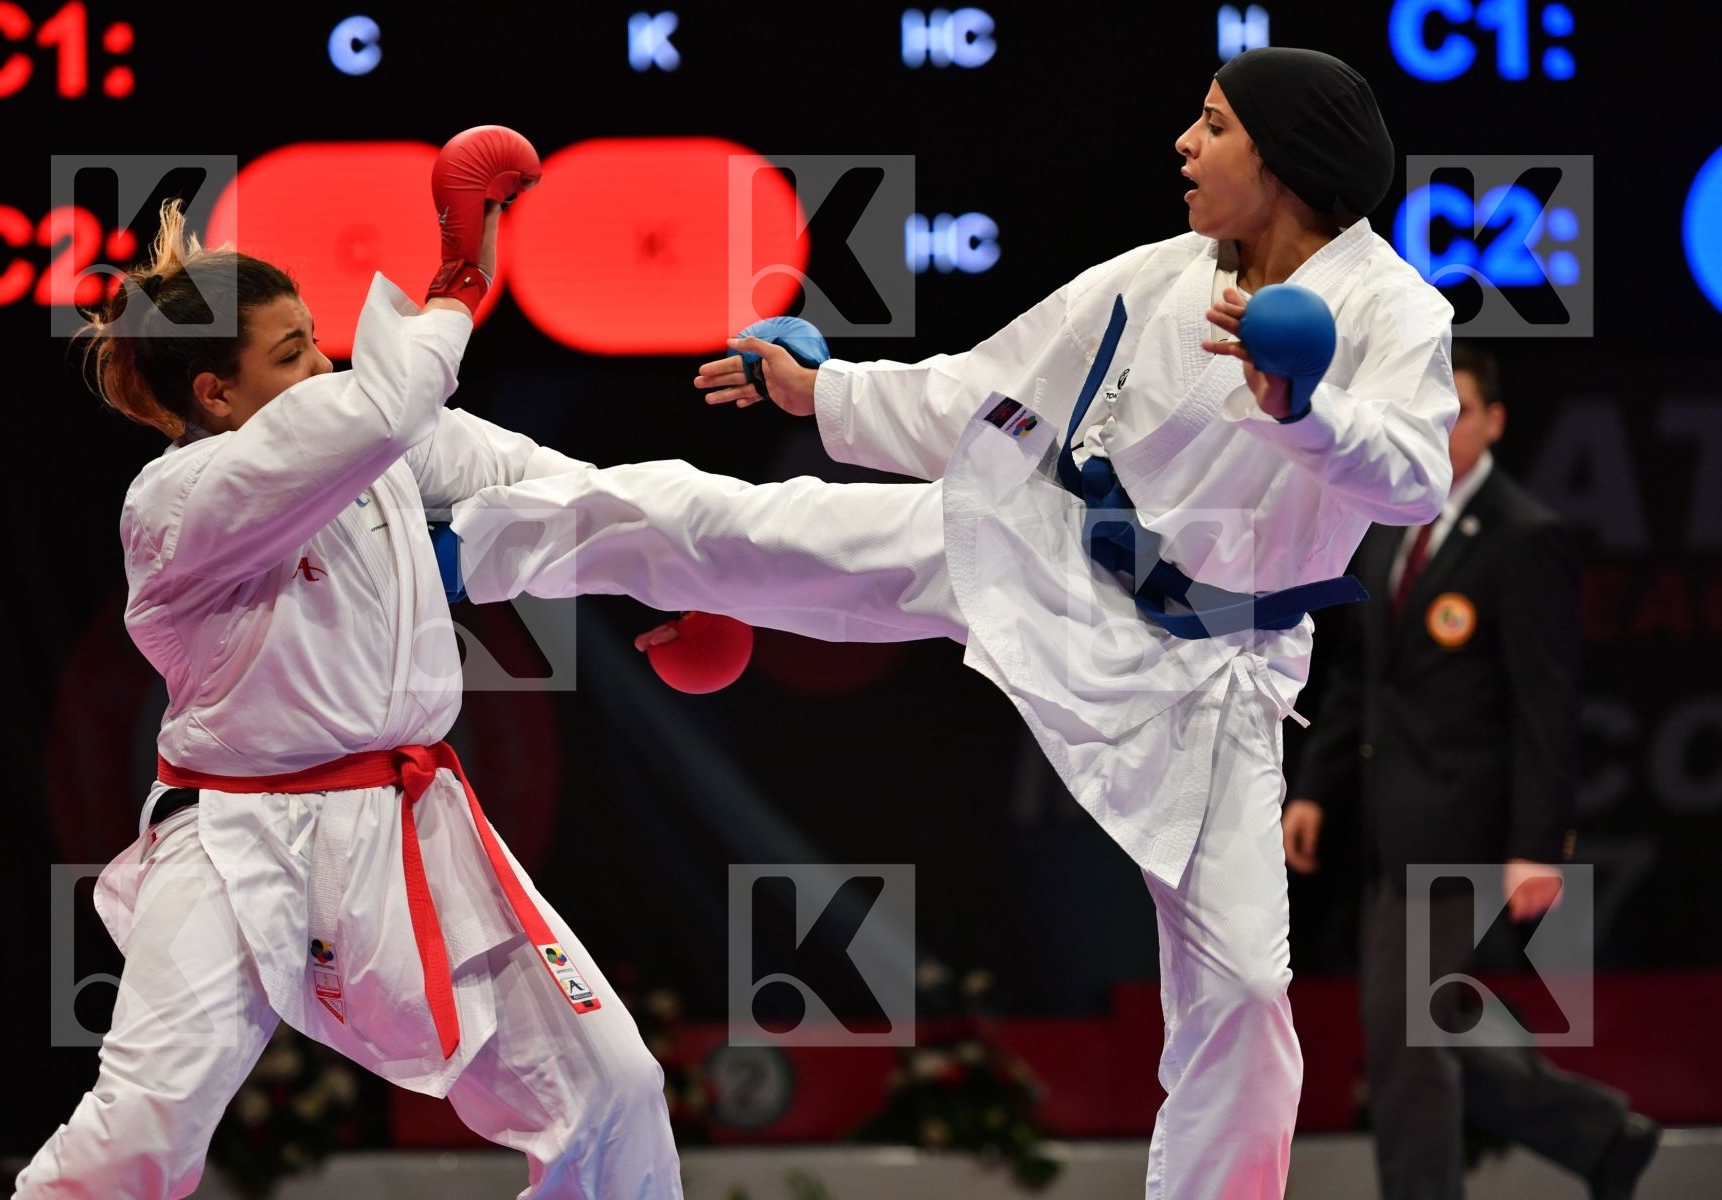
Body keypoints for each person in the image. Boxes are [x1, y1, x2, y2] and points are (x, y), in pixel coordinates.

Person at [453, 47, 1456, 1198]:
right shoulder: (1154, 276)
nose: (1185, 143)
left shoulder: (1393, 310)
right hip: (1044, 545)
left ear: (1284, 160)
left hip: (1207, 664)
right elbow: (988, 393)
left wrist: (1305, 412)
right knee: (759, 529)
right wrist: (823, 392)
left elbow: (1415, 479)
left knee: (1240, 995)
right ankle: (473, 537)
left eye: (1215, 125)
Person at [16, 128, 680, 1199]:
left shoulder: (373, 441)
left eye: (314, 340)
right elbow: (374, 407)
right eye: (289, 357)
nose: (322, 363)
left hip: (410, 828)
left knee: (615, 1087)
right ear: (216, 398)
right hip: (235, 840)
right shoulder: (180, 501)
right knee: (141, 1125)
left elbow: (533, 476)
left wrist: (674, 571)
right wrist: (457, 282)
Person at [1283, 344, 1662, 1200]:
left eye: (1460, 409)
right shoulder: (1383, 525)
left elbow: (1548, 708)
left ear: (1494, 421)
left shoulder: (1527, 536)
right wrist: (1314, 787)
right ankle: (1604, 1138)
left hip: (1465, 828)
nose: (1443, 424)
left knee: (1405, 1039)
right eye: (1430, 407)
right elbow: (1358, 678)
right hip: (1385, 823)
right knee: (1429, 1021)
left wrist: (1538, 846)